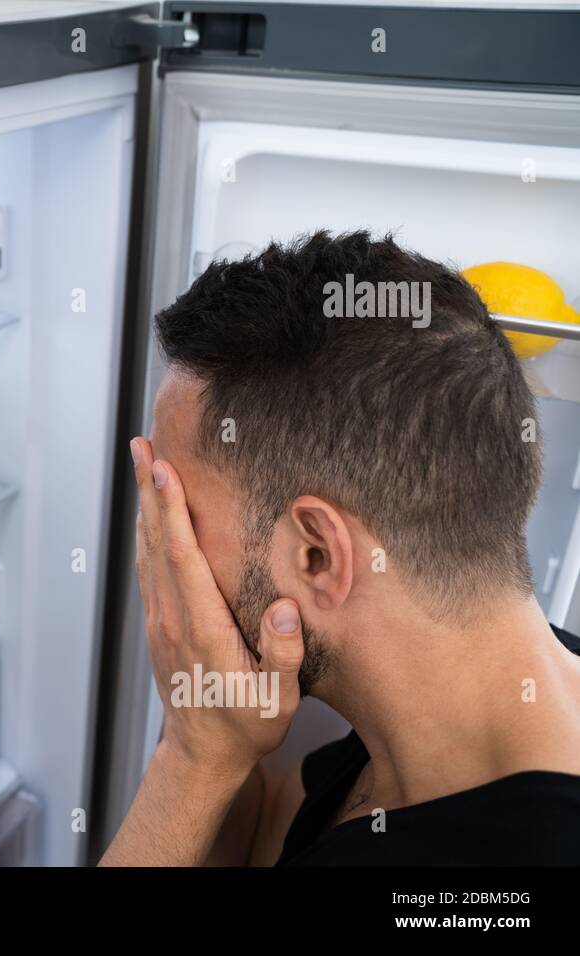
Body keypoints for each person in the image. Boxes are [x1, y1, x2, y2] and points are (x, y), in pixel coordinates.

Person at [101, 231, 580, 866]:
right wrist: (213, 737)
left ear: (317, 556)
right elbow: (267, 837)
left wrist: (191, 759)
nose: (163, 547)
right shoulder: (460, 700)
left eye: (179, 512)